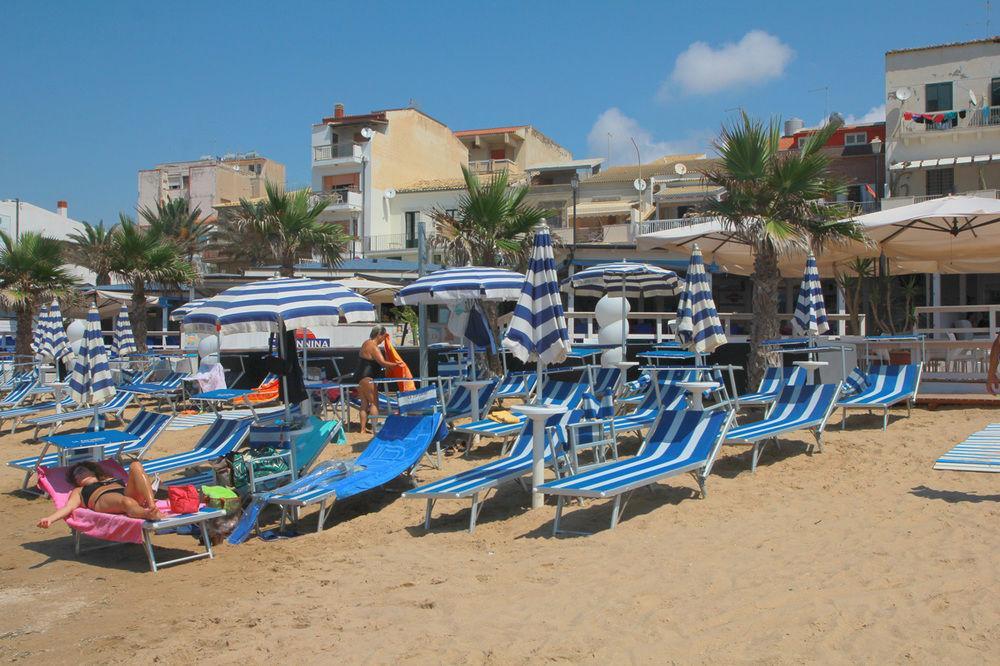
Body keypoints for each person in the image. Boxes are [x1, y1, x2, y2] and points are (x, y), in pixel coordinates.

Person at [37, 460, 163, 528]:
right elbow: (68, 508)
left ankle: (152, 507)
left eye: (81, 471)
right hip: (103, 500)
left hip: (125, 493)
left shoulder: (110, 479)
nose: (78, 475)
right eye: (75, 475)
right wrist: (50, 519)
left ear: (92, 471)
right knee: (127, 502)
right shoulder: (79, 491)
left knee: (136, 465)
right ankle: (147, 514)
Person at [353, 326, 401, 433]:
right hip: (367, 377)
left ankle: (362, 429)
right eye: (383, 337)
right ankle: (374, 429)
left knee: (364, 403)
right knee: (374, 403)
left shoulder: (366, 343)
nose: (383, 340)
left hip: (358, 377)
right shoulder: (373, 346)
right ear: (379, 335)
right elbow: (382, 362)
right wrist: (397, 364)